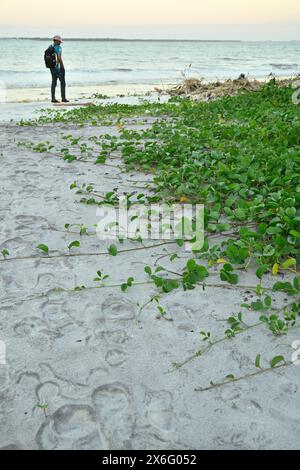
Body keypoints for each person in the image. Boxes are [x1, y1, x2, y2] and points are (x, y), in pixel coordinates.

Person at [50, 35, 69, 103]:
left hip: (51, 67)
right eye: (60, 41)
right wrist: (62, 66)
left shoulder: (50, 46)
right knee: (63, 82)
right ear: (57, 41)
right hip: (58, 68)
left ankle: (53, 98)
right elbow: (59, 58)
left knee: (54, 82)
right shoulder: (58, 48)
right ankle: (63, 98)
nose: (60, 43)